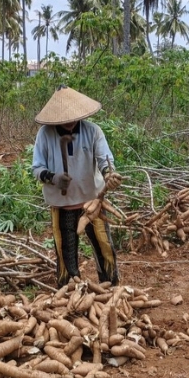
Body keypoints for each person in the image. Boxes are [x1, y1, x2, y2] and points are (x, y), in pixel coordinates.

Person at [31, 86, 122, 287]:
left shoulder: (93, 131)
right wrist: (53, 177)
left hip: (92, 201)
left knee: (103, 245)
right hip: (63, 204)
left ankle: (110, 286)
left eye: (73, 117)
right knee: (66, 250)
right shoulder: (45, 134)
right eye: (65, 118)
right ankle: (70, 289)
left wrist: (109, 174)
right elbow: (37, 168)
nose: (70, 121)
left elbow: (104, 159)